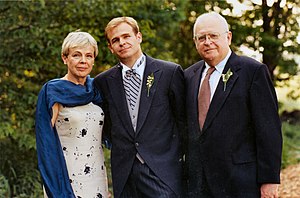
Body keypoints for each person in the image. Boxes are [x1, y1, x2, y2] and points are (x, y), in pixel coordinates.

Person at [185, 12, 282, 197]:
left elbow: (268, 130)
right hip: (198, 184)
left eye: (213, 36)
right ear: (195, 42)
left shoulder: (252, 72)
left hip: (240, 182)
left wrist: (269, 180)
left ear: (228, 37)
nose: (208, 42)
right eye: (201, 38)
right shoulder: (189, 75)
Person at [93, 17, 186, 198]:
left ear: (139, 37)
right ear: (111, 47)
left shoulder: (169, 72)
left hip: (162, 174)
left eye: (126, 36)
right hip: (125, 175)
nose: (122, 42)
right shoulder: (103, 82)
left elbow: (183, 122)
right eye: (115, 40)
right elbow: (108, 127)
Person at [35, 31, 109, 198]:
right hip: (66, 179)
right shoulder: (53, 92)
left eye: (89, 55)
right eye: (77, 55)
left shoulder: (95, 90)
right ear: (65, 58)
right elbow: (45, 143)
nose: (83, 60)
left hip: (97, 178)